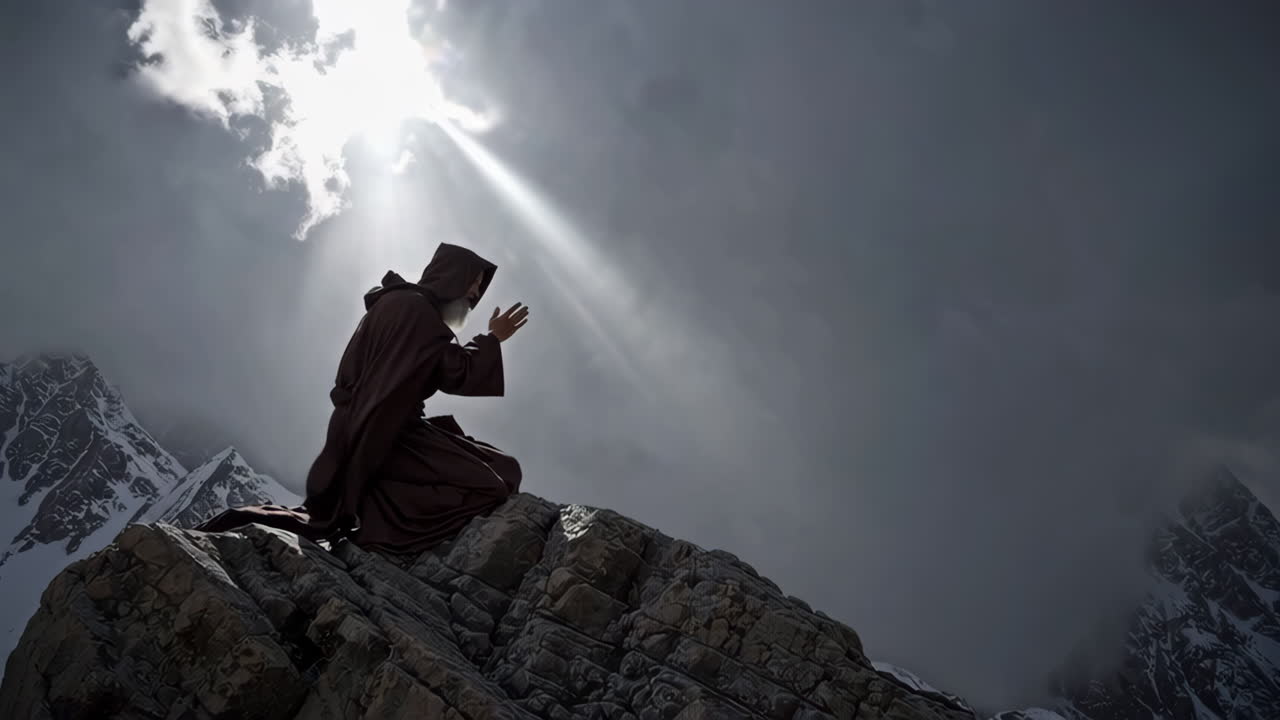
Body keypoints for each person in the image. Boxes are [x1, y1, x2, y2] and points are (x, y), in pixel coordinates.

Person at [194, 242, 530, 554]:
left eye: (478, 288)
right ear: (452, 277)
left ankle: (372, 507)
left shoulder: (396, 303)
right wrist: (493, 338)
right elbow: (457, 371)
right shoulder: (420, 316)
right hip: (387, 435)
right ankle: (378, 529)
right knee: (491, 485)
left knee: (504, 467)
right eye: (472, 283)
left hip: (369, 428)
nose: (474, 295)